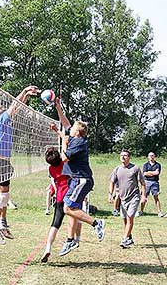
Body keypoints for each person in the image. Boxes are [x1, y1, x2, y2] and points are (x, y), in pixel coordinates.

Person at [50, 98, 105, 256]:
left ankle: (97, 223)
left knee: (67, 208)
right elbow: (65, 122)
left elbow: (64, 158)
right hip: (76, 179)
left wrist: (63, 142)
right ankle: (70, 240)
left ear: (78, 131)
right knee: (73, 209)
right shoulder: (75, 138)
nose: (70, 128)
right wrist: (58, 106)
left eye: (73, 128)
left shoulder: (79, 143)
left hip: (81, 179)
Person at [0, 85, 40, 245]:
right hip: (0, 163)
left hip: (5, 163)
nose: (2, 109)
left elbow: (18, 107)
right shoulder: (0, 120)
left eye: (2, 107)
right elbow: (14, 105)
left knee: (4, 197)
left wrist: (27, 95)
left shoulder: (5, 120)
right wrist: (24, 90)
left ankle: (2, 224)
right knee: (2, 197)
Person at [41, 147, 82, 263]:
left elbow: (54, 182)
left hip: (59, 197)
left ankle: (48, 248)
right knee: (76, 217)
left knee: (55, 223)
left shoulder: (50, 169)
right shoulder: (65, 164)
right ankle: (75, 240)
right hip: (70, 195)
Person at [109, 149, 147, 248]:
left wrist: (143, 196)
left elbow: (143, 183)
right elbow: (112, 182)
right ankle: (129, 238)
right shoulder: (117, 169)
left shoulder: (135, 168)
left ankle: (124, 239)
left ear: (129, 157)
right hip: (123, 198)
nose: (123, 157)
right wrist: (110, 194)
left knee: (130, 217)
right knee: (125, 219)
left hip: (134, 197)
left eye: (125, 155)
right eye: (121, 155)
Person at [136, 152, 163, 217]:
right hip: (146, 182)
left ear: (154, 156)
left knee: (156, 197)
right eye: (150, 155)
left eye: (152, 155)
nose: (151, 157)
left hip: (155, 182)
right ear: (148, 157)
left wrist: (149, 172)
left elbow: (157, 173)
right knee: (144, 197)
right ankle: (141, 211)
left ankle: (159, 212)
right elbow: (145, 173)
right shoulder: (145, 165)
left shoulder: (158, 165)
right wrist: (152, 172)